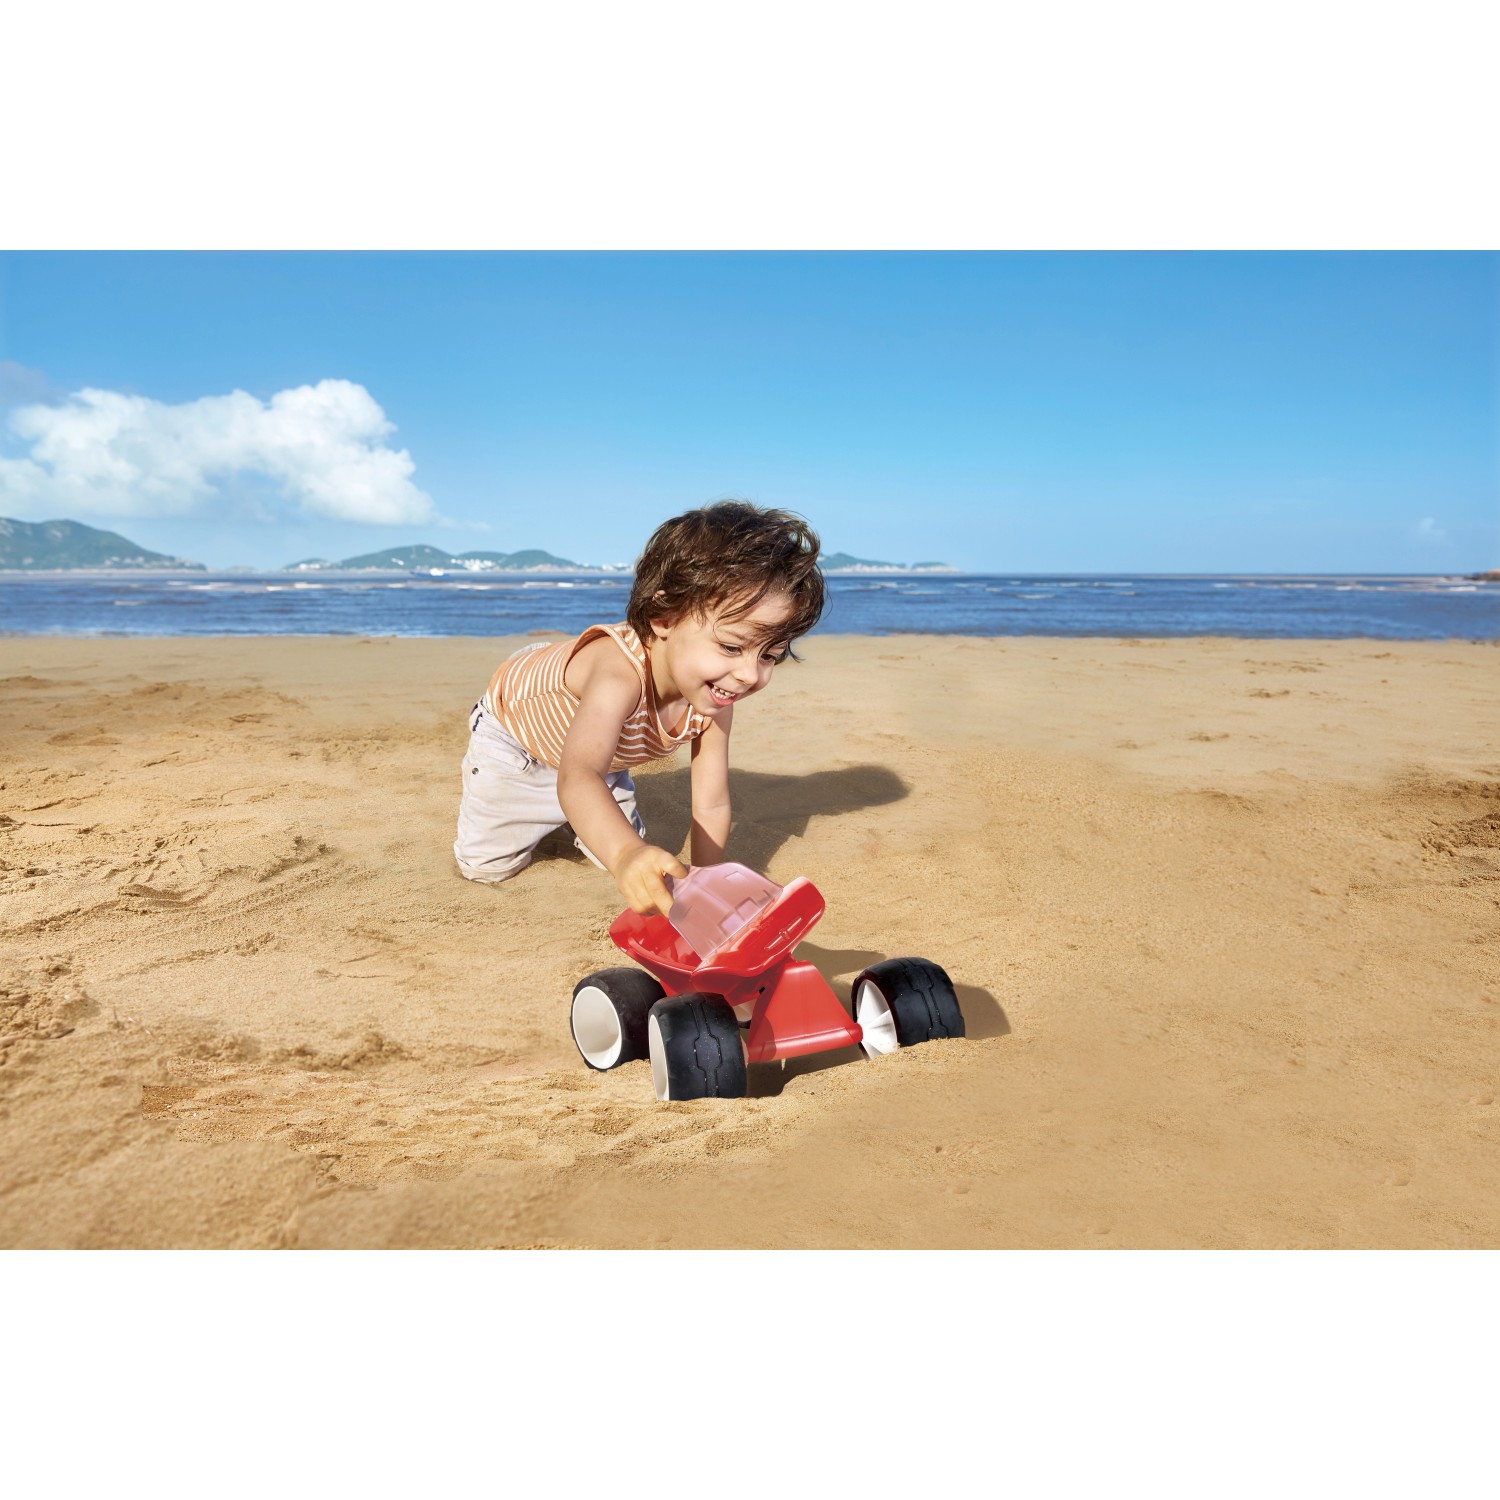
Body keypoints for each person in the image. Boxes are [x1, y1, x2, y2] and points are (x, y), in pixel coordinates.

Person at [453, 500, 825, 916]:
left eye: (769, 656)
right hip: (521, 735)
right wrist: (626, 855)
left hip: (600, 754)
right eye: (732, 646)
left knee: (645, 869)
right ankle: (549, 815)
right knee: (487, 867)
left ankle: (570, 819)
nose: (747, 675)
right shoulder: (618, 677)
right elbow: (579, 776)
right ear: (663, 617)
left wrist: (706, 881)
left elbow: (712, 802)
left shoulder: (716, 694)